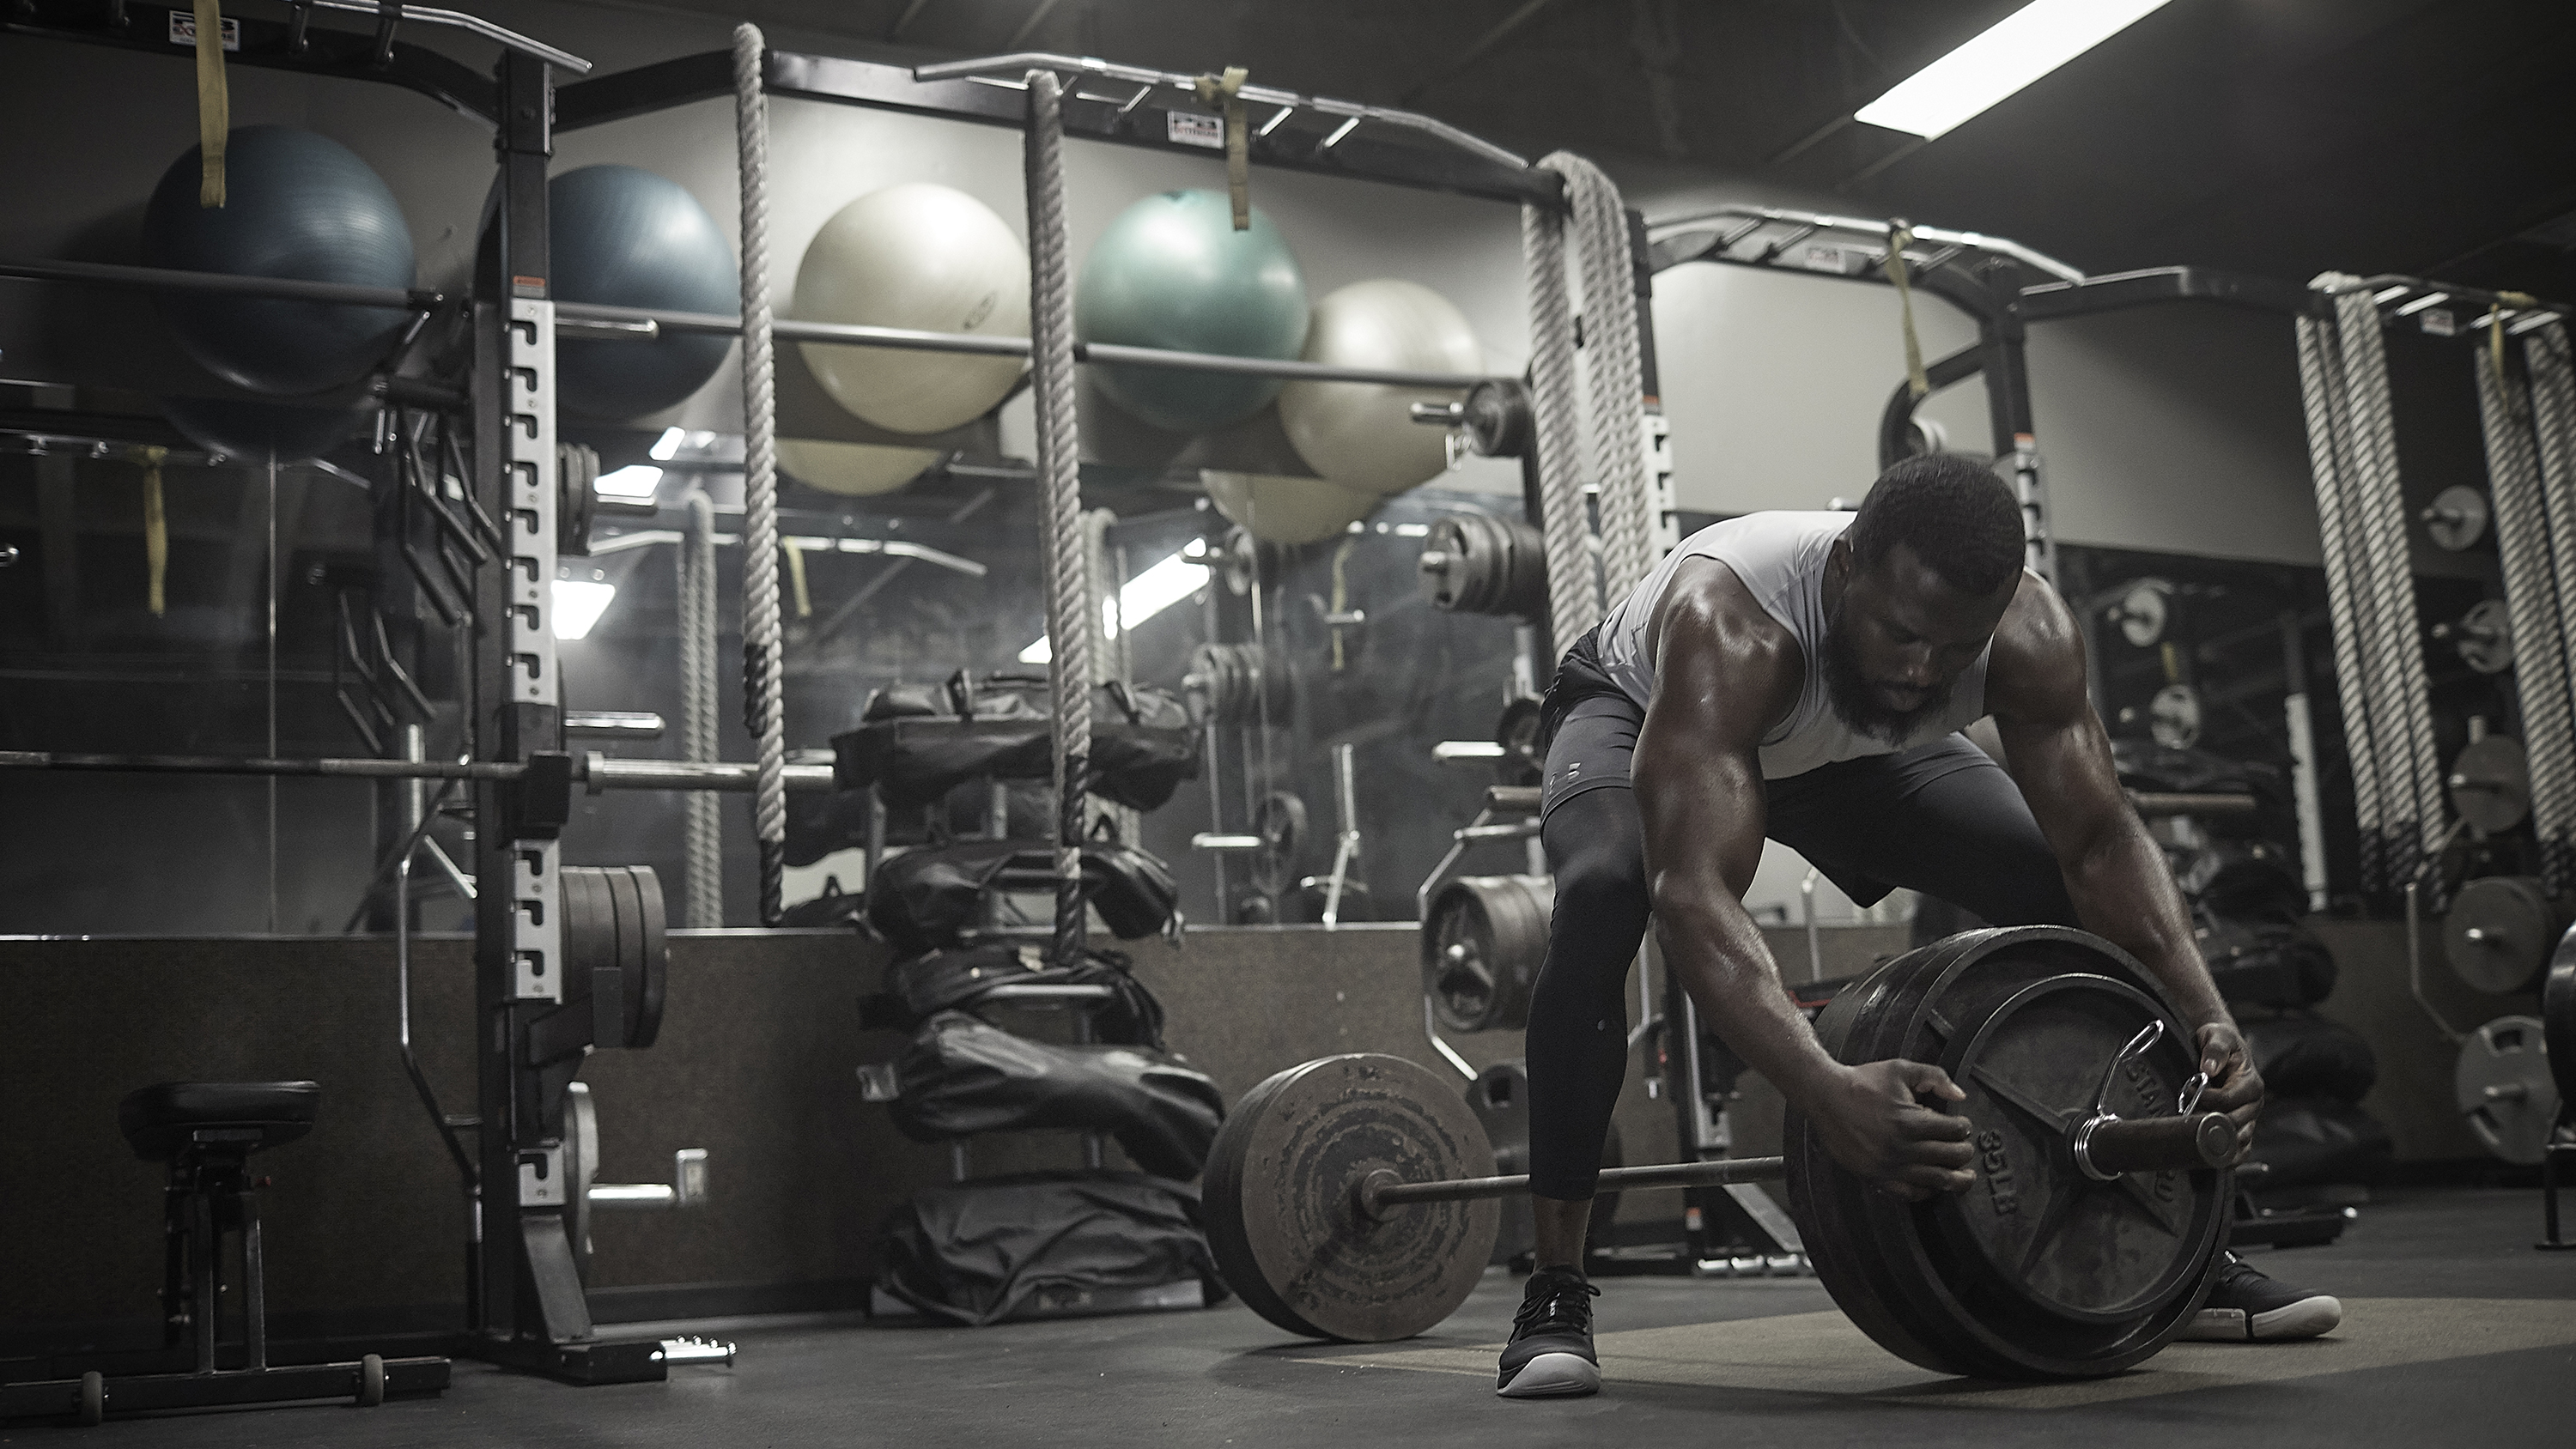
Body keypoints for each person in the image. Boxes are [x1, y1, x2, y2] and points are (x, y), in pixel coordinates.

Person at [1496, 456, 2340, 1400]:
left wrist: (2207, 1013)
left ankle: (2191, 1250)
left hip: (1848, 747)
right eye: (1900, 632)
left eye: (1954, 649)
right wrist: (1824, 1089)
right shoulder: (1733, 622)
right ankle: (1555, 1288)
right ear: (1847, 568)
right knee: (1607, 890)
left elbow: (2101, 841)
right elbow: (1692, 894)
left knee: (2057, 881)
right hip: (1638, 706)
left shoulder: (2026, 636)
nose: (1921, 669)